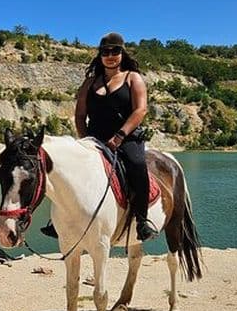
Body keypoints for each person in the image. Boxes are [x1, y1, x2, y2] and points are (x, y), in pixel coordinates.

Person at [42, 32, 157, 241]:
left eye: (115, 51)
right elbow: (79, 115)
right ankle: (57, 220)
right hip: (94, 140)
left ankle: (142, 220)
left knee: (136, 163)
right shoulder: (89, 83)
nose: (111, 55)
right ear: (100, 55)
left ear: (122, 53)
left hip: (127, 138)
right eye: (106, 52)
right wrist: (85, 140)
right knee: (67, 171)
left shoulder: (133, 78)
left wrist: (120, 136)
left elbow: (140, 111)